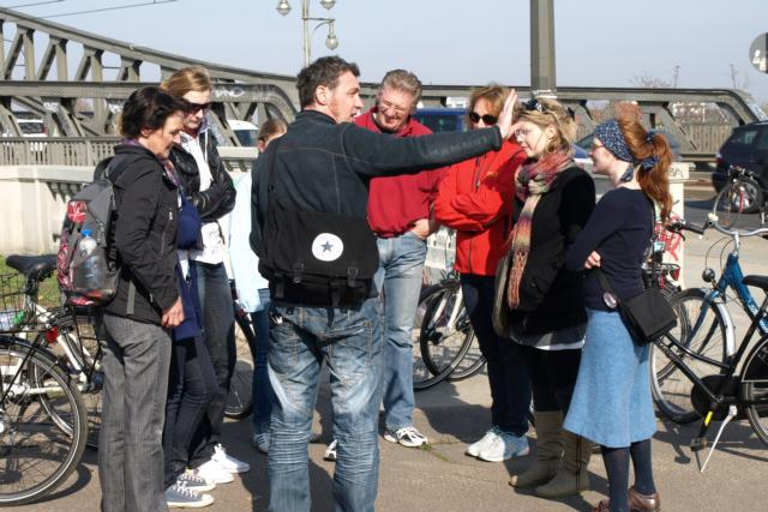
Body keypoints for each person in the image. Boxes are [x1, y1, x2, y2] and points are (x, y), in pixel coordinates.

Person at [250, 56, 520, 512]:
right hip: (351, 303)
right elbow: (417, 154)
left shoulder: (272, 153)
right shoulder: (349, 140)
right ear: (323, 94)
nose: (360, 102)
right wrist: (493, 136)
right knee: (356, 426)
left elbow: (261, 236)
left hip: (290, 301)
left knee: (289, 425)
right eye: (353, 92)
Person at [325, 70, 440, 460]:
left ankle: (398, 420)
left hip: (409, 243)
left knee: (398, 334)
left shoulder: (424, 141)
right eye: (386, 105)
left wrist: (433, 222)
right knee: (358, 334)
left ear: (412, 109)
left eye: (400, 109)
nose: (390, 114)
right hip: (365, 244)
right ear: (377, 98)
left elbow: (445, 188)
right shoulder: (353, 131)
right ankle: (350, 427)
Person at [565, 117, 673, 512]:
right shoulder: (641, 200)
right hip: (634, 316)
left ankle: (618, 506)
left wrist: (585, 253)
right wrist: (593, 252)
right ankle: (644, 492)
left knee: (611, 417)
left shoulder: (614, 201)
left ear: (611, 152)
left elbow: (574, 258)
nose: (589, 151)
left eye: (594, 146)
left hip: (610, 319)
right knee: (634, 409)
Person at [499, 97, 596, 498]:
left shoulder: (574, 182)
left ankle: (575, 470)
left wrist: (538, 284)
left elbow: (576, 248)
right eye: (517, 130)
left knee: (567, 388)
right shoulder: (528, 180)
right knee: (541, 385)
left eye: (525, 130)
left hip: (557, 305)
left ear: (551, 131)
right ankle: (546, 461)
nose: (518, 137)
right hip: (526, 304)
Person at [98, 86, 187, 512]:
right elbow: (132, 241)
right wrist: (169, 296)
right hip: (141, 313)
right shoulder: (148, 173)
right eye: (171, 131)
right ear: (148, 129)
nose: (177, 138)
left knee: (116, 423)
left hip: (111, 308)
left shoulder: (113, 164)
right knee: (145, 427)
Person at [433, 84, 531, 462]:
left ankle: (515, 429)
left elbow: (492, 206)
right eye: (474, 116)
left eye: (489, 118)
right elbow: (442, 207)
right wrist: (468, 210)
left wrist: (466, 210)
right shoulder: (464, 155)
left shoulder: (513, 157)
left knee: (510, 352)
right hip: (469, 266)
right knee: (491, 350)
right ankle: (500, 424)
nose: (479, 124)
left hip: (500, 267)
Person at [161, 66, 250, 483]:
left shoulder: (206, 135)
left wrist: (204, 202)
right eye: (192, 106)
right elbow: (183, 209)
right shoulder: (167, 143)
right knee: (195, 366)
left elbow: (227, 192)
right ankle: (190, 454)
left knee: (223, 356)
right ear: (175, 102)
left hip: (215, 255)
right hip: (189, 259)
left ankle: (210, 445)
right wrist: (207, 201)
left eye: (206, 105)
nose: (199, 114)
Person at [228, 118, 288, 454]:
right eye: (274, 143)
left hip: (285, 281)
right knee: (266, 356)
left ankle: (284, 425)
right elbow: (238, 240)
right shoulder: (248, 183)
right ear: (261, 145)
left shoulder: (289, 180)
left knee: (289, 359)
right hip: (261, 284)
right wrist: (247, 292)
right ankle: (263, 427)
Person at [163, 177, 219, 507]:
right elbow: (185, 231)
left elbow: (190, 227)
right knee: (180, 389)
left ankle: (174, 465)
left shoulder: (170, 176)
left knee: (200, 385)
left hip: (183, 291)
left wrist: (188, 211)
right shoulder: (155, 177)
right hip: (171, 297)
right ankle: (168, 475)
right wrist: (188, 211)